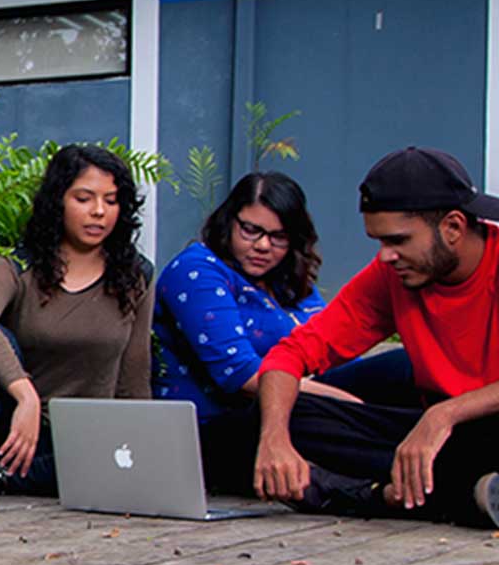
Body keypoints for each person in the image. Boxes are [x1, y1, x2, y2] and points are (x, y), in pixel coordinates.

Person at [241, 147, 499, 527]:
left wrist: (444, 414)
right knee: (263, 420)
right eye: (379, 241)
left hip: (477, 426)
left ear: (454, 227)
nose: (385, 257)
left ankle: (380, 496)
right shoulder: (393, 275)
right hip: (442, 441)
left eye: (398, 240)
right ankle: (463, 494)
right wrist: (275, 437)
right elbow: (292, 354)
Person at [0, 143, 155, 509]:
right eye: (84, 198)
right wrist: (26, 394)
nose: (99, 212)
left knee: (91, 466)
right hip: (17, 430)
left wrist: (139, 443)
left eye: (111, 201)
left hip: (81, 440)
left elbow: (134, 371)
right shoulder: (16, 267)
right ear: (58, 201)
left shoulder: (136, 276)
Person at [154, 171, 415, 426]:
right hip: (226, 418)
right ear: (228, 223)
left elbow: (332, 351)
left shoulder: (285, 278)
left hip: (297, 398)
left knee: (402, 369)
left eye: (278, 237)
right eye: (250, 230)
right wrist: (352, 407)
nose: (263, 245)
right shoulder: (197, 269)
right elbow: (242, 376)